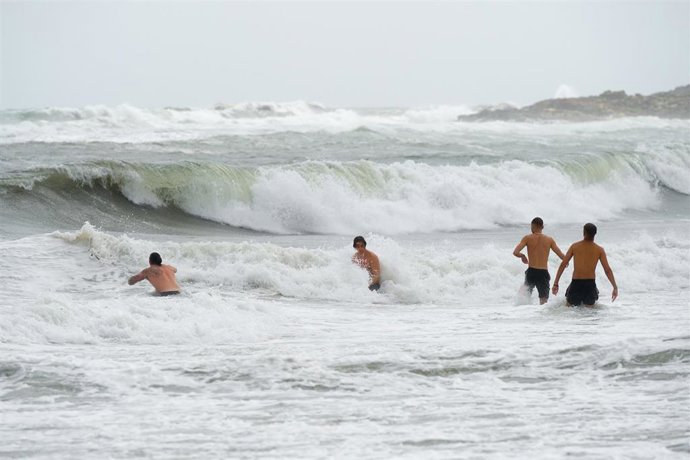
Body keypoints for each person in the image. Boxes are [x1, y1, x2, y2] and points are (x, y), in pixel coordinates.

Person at [552, 223, 618, 307]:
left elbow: (563, 264)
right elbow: (607, 270)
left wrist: (556, 283)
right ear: (595, 234)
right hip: (590, 285)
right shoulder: (599, 250)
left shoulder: (574, 246)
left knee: (570, 310)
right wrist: (614, 287)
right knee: (589, 313)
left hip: (576, 283)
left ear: (584, 232)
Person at [513, 217, 566, 304]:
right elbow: (561, 255)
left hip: (531, 272)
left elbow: (515, 252)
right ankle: (541, 316)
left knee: (524, 296)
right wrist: (566, 262)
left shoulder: (527, 238)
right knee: (544, 301)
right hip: (543, 273)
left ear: (532, 226)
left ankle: (523, 314)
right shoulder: (549, 240)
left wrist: (522, 256)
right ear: (542, 227)